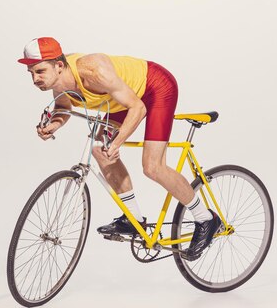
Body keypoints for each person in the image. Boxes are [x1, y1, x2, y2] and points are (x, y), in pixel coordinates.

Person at [17, 37, 220, 260]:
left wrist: (117, 142)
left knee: (153, 167)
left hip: (154, 87)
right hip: (122, 98)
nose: (35, 79)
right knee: (99, 150)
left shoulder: (94, 71)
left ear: (59, 65)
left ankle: (206, 219)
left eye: (39, 71)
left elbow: (138, 108)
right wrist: (53, 125)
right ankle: (133, 220)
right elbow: (63, 107)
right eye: (31, 73)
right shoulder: (58, 83)